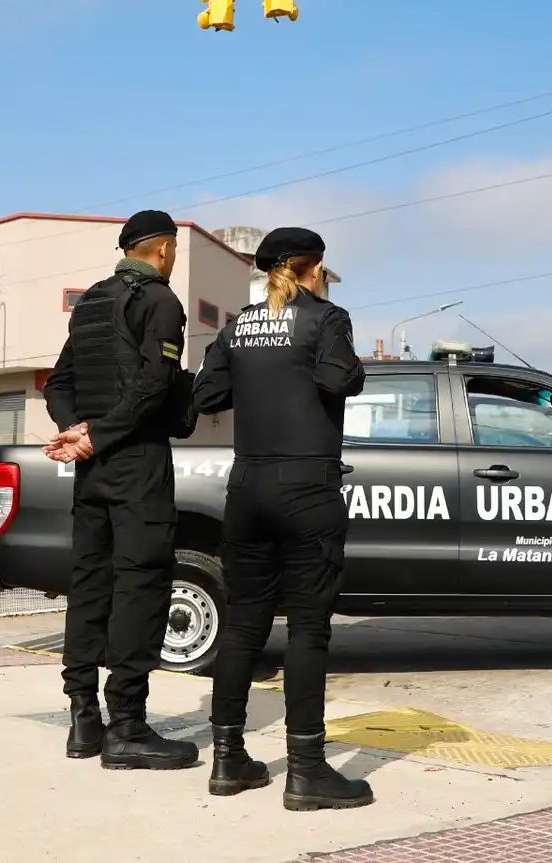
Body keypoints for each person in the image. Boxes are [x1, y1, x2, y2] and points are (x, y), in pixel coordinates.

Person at [192, 226, 373, 810]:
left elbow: (207, 395)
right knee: (307, 629)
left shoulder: (238, 324)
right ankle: (307, 770)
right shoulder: (327, 317)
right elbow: (339, 378)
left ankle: (228, 762)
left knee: (244, 625)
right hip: (306, 487)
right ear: (310, 267)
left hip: (247, 487)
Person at [44, 209, 199, 771]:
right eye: (174, 251)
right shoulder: (159, 301)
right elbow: (155, 387)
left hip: (92, 468)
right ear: (162, 250)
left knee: (90, 584)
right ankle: (127, 727)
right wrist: (101, 433)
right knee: (142, 585)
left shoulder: (90, 302)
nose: (173, 260)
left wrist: (77, 432)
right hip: (136, 463)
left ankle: (83, 719)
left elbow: (58, 383)